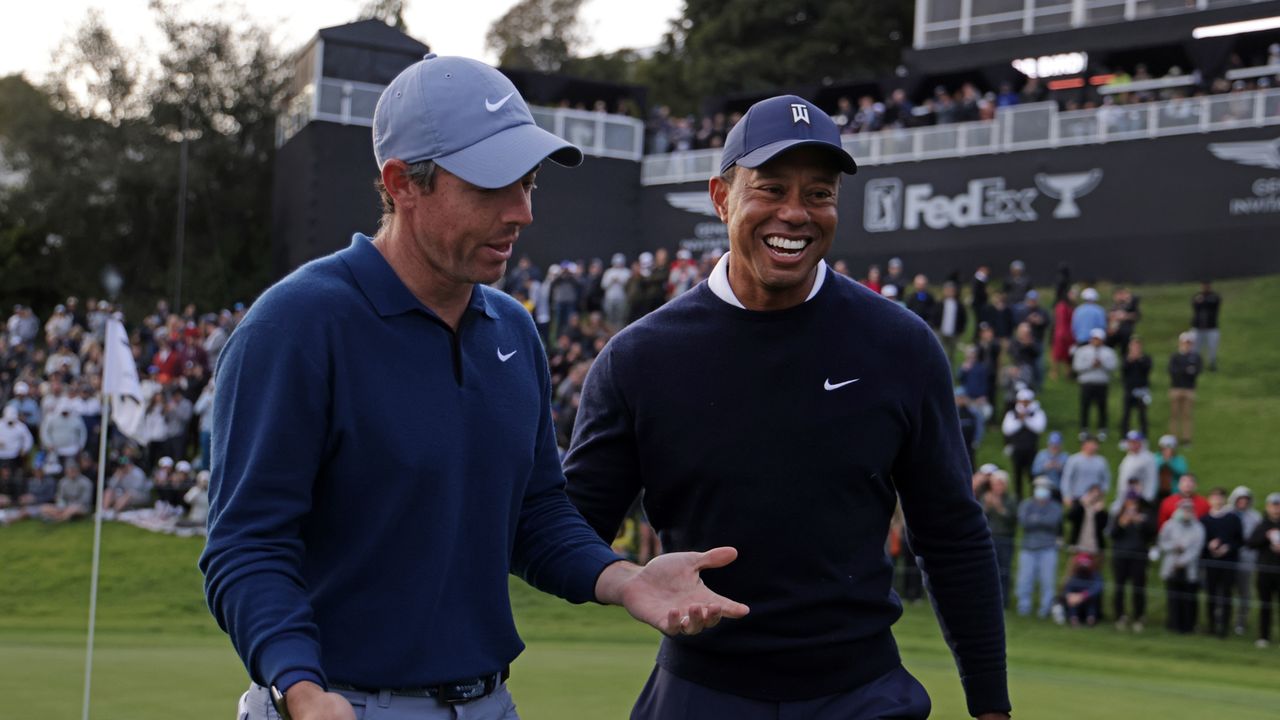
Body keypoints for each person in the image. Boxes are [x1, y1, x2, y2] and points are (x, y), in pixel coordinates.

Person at [200, 55, 747, 720]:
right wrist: (303, 691)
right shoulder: (295, 328)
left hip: (491, 703)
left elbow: (535, 515)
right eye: (492, 188)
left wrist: (624, 579)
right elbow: (247, 546)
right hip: (337, 706)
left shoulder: (511, 329)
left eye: (530, 184)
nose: (522, 213)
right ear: (402, 183)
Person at [564, 95, 1009, 720]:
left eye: (819, 194)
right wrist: (628, 578)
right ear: (721, 197)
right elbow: (568, 529)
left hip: (863, 694)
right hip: (701, 693)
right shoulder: (640, 358)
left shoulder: (899, 345)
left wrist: (990, 703)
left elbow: (952, 534)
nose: (795, 214)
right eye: (770, 188)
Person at [1107, 490, 1155, 631]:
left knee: (1138, 588)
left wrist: (1140, 522)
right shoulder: (1117, 516)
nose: (1132, 504)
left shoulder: (1144, 517)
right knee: (1119, 587)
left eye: (1134, 502)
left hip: (1138, 557)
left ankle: (1139, 616)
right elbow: (1112, 534)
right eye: (1129, 501)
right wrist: (1122, 523)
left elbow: (1151, 535)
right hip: (1120, 556)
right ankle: (1119, 615)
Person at [1017, 477, 1063, 618]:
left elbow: (1053, 522)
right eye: (1039, 486)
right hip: (1028, 548)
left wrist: (1035, 519)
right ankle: (1023, 608)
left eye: (1044, 487)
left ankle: (1045, 610)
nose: (1041, 490)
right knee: (1025, 580)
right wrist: (1040, 520)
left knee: (1048, 581)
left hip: (1048, 548)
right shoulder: (1026, 504)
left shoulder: (1055, 507)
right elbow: (1024, 522)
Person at [1201, 487, 1244, 638]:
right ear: (1209, 499)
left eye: (1220, 497)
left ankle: (1224, 628)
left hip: (1228, 563)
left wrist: (1228, 548)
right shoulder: (1205, 520)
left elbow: (1239, 541)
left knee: (1226, 595)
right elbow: (1201, 542)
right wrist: (1209, 546)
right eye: (1214, 496)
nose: (1217, 499)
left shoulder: (1233, 519)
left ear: (1225, 499)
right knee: (1211, 595)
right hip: (1211, 563)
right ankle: (1211, 626)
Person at [1160, 499, 1206, 634]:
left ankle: (1188, 626)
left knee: (1189, 598)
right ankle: (1173, 624)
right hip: (1171, 566)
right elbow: (1162, 543)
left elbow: (1196, 549)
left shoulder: (1198, 527)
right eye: (1183, 509)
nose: (1186, 512)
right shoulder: (1169, 525)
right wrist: (1174, 546)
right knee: (1173, 597)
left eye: (1189, 509)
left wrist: (1182, 562)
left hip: (1189, 568)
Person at [1246, 493, 1280, 647]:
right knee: (1265, 605)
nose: (1276, 509)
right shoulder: (1262, 524)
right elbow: (1251, 543)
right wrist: (1266, 537)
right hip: (1264, 572)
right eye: (1273, 505)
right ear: (1268, 507)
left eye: (1278, 506)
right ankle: (1263, 637)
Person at [980, 470, 1017, 607]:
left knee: (1004, 570)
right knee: (986, 569)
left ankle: (1003, 600)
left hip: (1005, 539)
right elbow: (980, 518)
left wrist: (999, 507)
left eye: (1000, 484)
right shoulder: (986, 497)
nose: (998, 487)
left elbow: (1012, 520)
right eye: (995, 484)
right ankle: (986, 598)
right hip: (989, 539)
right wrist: (987, 507)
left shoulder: (1011, 500)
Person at [1072, 328, 1117, 440]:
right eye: (1094, 339)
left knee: (1102, 407)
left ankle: (1102, 429)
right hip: (1087, 383)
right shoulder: (1082, 351)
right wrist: (1090, 364)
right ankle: (1084, 429)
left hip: (1101, 383)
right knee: (1085, 407)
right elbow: (1077, 367)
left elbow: (1113, 366)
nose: (1096, 341)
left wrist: (1102, 364)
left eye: (1098, 339)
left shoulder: (1108, 352)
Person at [1000, 388, 1045, 499]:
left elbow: (1039, 428)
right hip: (1017, 450)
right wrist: (1020, 420)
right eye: (1022, 401)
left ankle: (1034, 497)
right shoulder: (1012, 414)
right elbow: (1007, 429)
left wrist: (1025, 419)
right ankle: (1018, 498)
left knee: (1033, 475)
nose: (1024, 404)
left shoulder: (1037, 413)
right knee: (1017, 476)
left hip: (1032, 449)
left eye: (1027, 401)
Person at [1231, 486, 1263, 636]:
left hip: (1247, 559)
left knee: (1245, 593)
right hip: (1229, 558)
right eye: (1240, 499)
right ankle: (1222, 619)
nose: (1243, 502)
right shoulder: (1227, 514)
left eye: (1246, 500)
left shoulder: (1255, 517)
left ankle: (1241, 622)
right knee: (1224, 591)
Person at [1167, 331, 1201, 445]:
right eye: (1185, 342)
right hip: (1176, 388)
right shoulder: (1175, 357)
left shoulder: (1195, 357)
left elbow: (1196, 371)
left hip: (1189, 389)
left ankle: (1186, 439)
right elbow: (1173, 371)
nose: (1187, 345)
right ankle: (1173, 438)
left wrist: (1184, 370)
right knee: (1174, 415)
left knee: (1187, 416)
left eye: (1189, 343)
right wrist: (1186, 370)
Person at [1060, 435, 1110, 509]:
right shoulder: (1074, 460)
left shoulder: (1101, 461)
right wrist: (1066, 495)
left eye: (1094, 444)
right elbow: (1067, 478)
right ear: (1083, 445)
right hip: (1077, 496)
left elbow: (1106, 479)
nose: (1092, 447)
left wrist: (1102, 493)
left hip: (1094, 497)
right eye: (1090, 444)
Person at [1057, 553, 1104, 627]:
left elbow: (1098, 588)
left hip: (1088, 598)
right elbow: (1067, 588)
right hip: (1076, 600)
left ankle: (1091, 619)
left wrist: (1083, 596)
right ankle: (1074, 619)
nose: (1084, 565)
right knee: (1072, 599)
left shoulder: (1095, 574)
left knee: (1093, 598)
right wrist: (1070, 595)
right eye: (1082, 563)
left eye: (1086, 563)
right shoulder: (1074, 575)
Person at [1119, 337, 1152, 439]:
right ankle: (1124, 437)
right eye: (1133, 346)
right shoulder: (1126, 358)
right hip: (1129, 390)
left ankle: (1144, 437)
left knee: (1142, 416)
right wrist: (1130, 360)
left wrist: (1139, 360)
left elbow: (1147, 370)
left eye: (1137, 346)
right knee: (1126, 415)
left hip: (1142, 390)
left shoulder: (1146, 358)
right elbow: (1123, 372)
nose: (1135, 348)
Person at [1116, 431, 1157, 503]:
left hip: (1141, 498)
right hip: (1126, 498)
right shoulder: (1128, 458)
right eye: (1130, 442)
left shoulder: (1148, 458)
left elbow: (1152, 478)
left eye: (1135, 442)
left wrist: (1148, 498)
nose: (1132, 445)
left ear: (1140, 442)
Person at [1191, 281, 1221, 371]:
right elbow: (1194, 304)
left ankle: (1212, 365)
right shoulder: (1197, 296)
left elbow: (1214, 303)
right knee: (1196, 348)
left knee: (1212, 348)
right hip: (1198, 327)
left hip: (1211, 327)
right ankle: (1196, 365)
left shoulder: (1214, 296)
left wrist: (1202, 300)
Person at [1031, 431, 1069, 500]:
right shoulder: (1041, 455)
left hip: (1058, 488)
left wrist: (1060, 468)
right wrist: (1045, 467)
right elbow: (1034, 471)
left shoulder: (1065, 457)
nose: (1054, 447)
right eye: (1052, 444)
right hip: (1042, 487)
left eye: (1056, 445)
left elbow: (1069, 475)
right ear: (1048, 444)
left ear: (1061, 445)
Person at [1154, 435, 1189, 502]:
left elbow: (1183, 473)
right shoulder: (1155, 457)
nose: (1167, 450)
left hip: (1173, 491)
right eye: (1164, 448)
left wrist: (1170, 463)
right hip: (1157, 491)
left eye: (1169, 448)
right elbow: (1152, 469)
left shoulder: (1180, 459)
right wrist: (1163, 461)